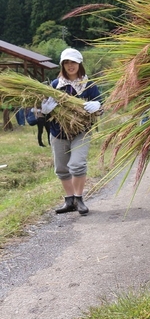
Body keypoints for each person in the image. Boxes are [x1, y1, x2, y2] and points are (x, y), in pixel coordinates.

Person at [41, 48, 102, 215]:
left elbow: (101, 106)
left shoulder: (88, 85)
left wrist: (98, 106)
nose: (70, 65)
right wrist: (45, 110)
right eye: (66, 62)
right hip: (58, 132)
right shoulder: (55, 85)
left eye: (73, 62)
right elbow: (45, 109)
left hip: (81, 132)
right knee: (61, 168)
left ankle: (79, 198)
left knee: (77, 164)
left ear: (79, 63)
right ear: (62, 65)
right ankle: (69, 201)